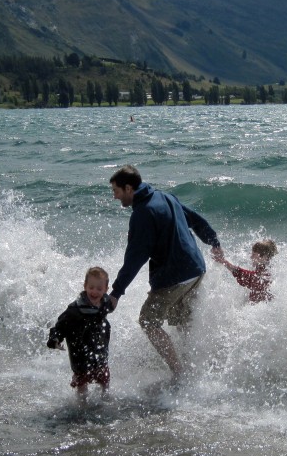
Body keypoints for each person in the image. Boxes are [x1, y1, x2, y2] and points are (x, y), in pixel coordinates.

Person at [108, 165, 225, 381]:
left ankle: (179, 373)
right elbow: (195, 219)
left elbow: (135, 258)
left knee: (148, 321)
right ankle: (194, 364)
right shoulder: (165, 197)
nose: (114, 196)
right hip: (196, 269)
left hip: (175, 276)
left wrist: (116, 292)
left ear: (128, 188)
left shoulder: (142, 214)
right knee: (182, 321)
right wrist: (213, 242)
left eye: (116, 191)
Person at [47, 266, 112, 399]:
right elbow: (60, 326)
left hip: (100, 352)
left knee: (104, 379)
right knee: (82, 383)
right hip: (80, 354)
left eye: (99, 289)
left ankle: (105, 399)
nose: (94, 292)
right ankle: (81, 404)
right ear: (85, 286)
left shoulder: (105, 303)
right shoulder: (75, 309)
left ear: (106, 290)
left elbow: (110, 306)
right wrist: (55, 339)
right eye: (91, 287)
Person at [218, 239, 278, 303]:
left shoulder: (265, 275)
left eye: (254, 254)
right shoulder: (267, 271)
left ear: (264, 257)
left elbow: (247, 275)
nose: (251, 257)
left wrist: (224, 262)